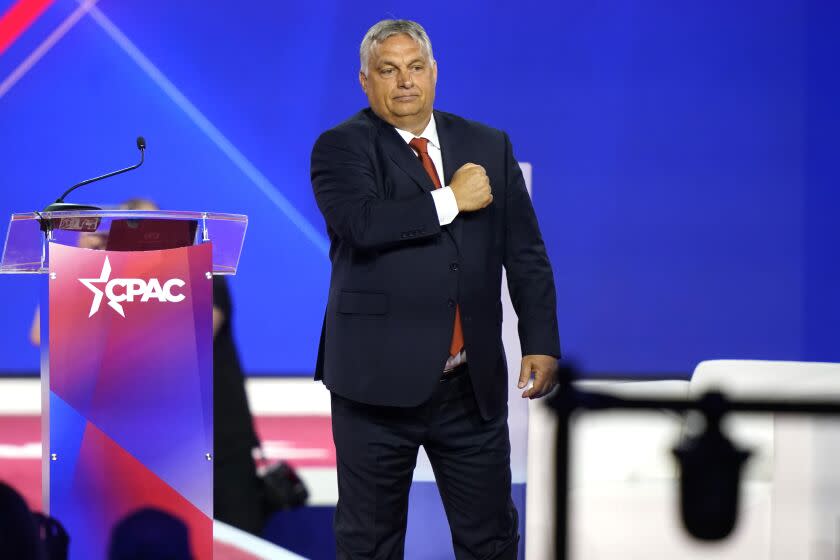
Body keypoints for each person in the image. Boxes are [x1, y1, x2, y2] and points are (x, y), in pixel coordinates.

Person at [310, 19, 561, 560]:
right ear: (365, 81)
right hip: (374, 390)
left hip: (469, 387)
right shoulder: (341, 147)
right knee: (368, 545)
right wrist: (452, 199)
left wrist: (540, 339)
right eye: (388, 70)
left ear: (434, 73)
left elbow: (525, 252)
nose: (405, 82)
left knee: (490, 542)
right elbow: (362, 224)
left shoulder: (487, 144)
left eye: (416, 67)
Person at [29, 199, 266, 534]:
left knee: (239, 539)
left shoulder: (199, 272)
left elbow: (196, 334)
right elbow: (41, 334)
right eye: (130, 233)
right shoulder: (105, 285)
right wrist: (77, 267)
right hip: (140, 447)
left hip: (217, 439)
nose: (145, 241)